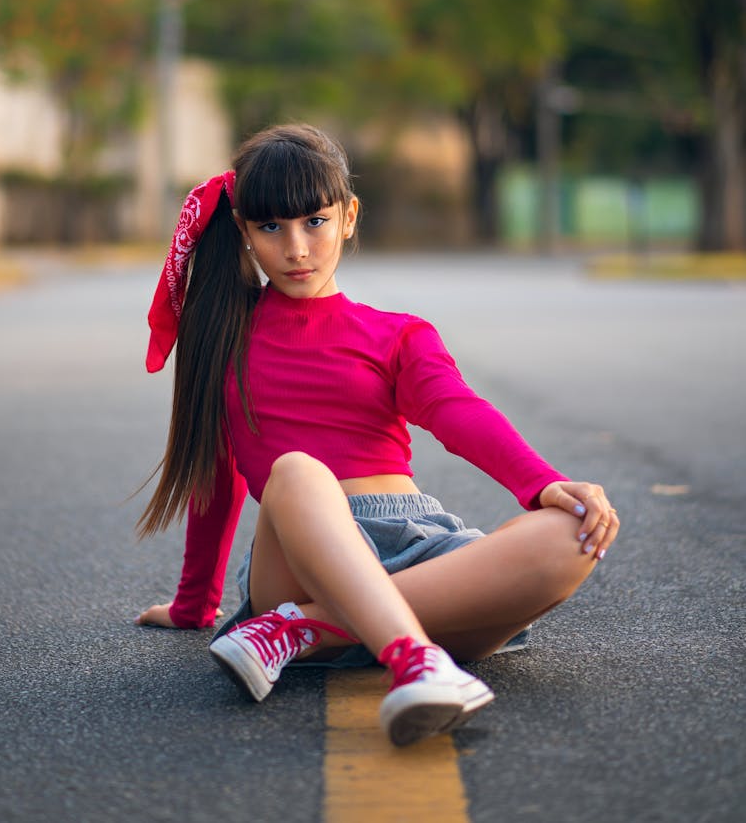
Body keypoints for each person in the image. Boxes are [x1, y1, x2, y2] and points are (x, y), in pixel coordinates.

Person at [135, 123, 619, 747]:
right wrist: (194, 605)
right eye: (271, 228)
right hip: (300, 555)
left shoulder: (398, 334)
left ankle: (302, 630)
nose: (296, 248)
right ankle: (414, 660)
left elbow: (456, 410)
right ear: (245, 232)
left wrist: (545, 483)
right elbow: (213, 474)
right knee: (298, 470)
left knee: (576, 529)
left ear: (349, 217)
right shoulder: (225, 336)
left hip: (417, 546)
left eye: (314, 221)